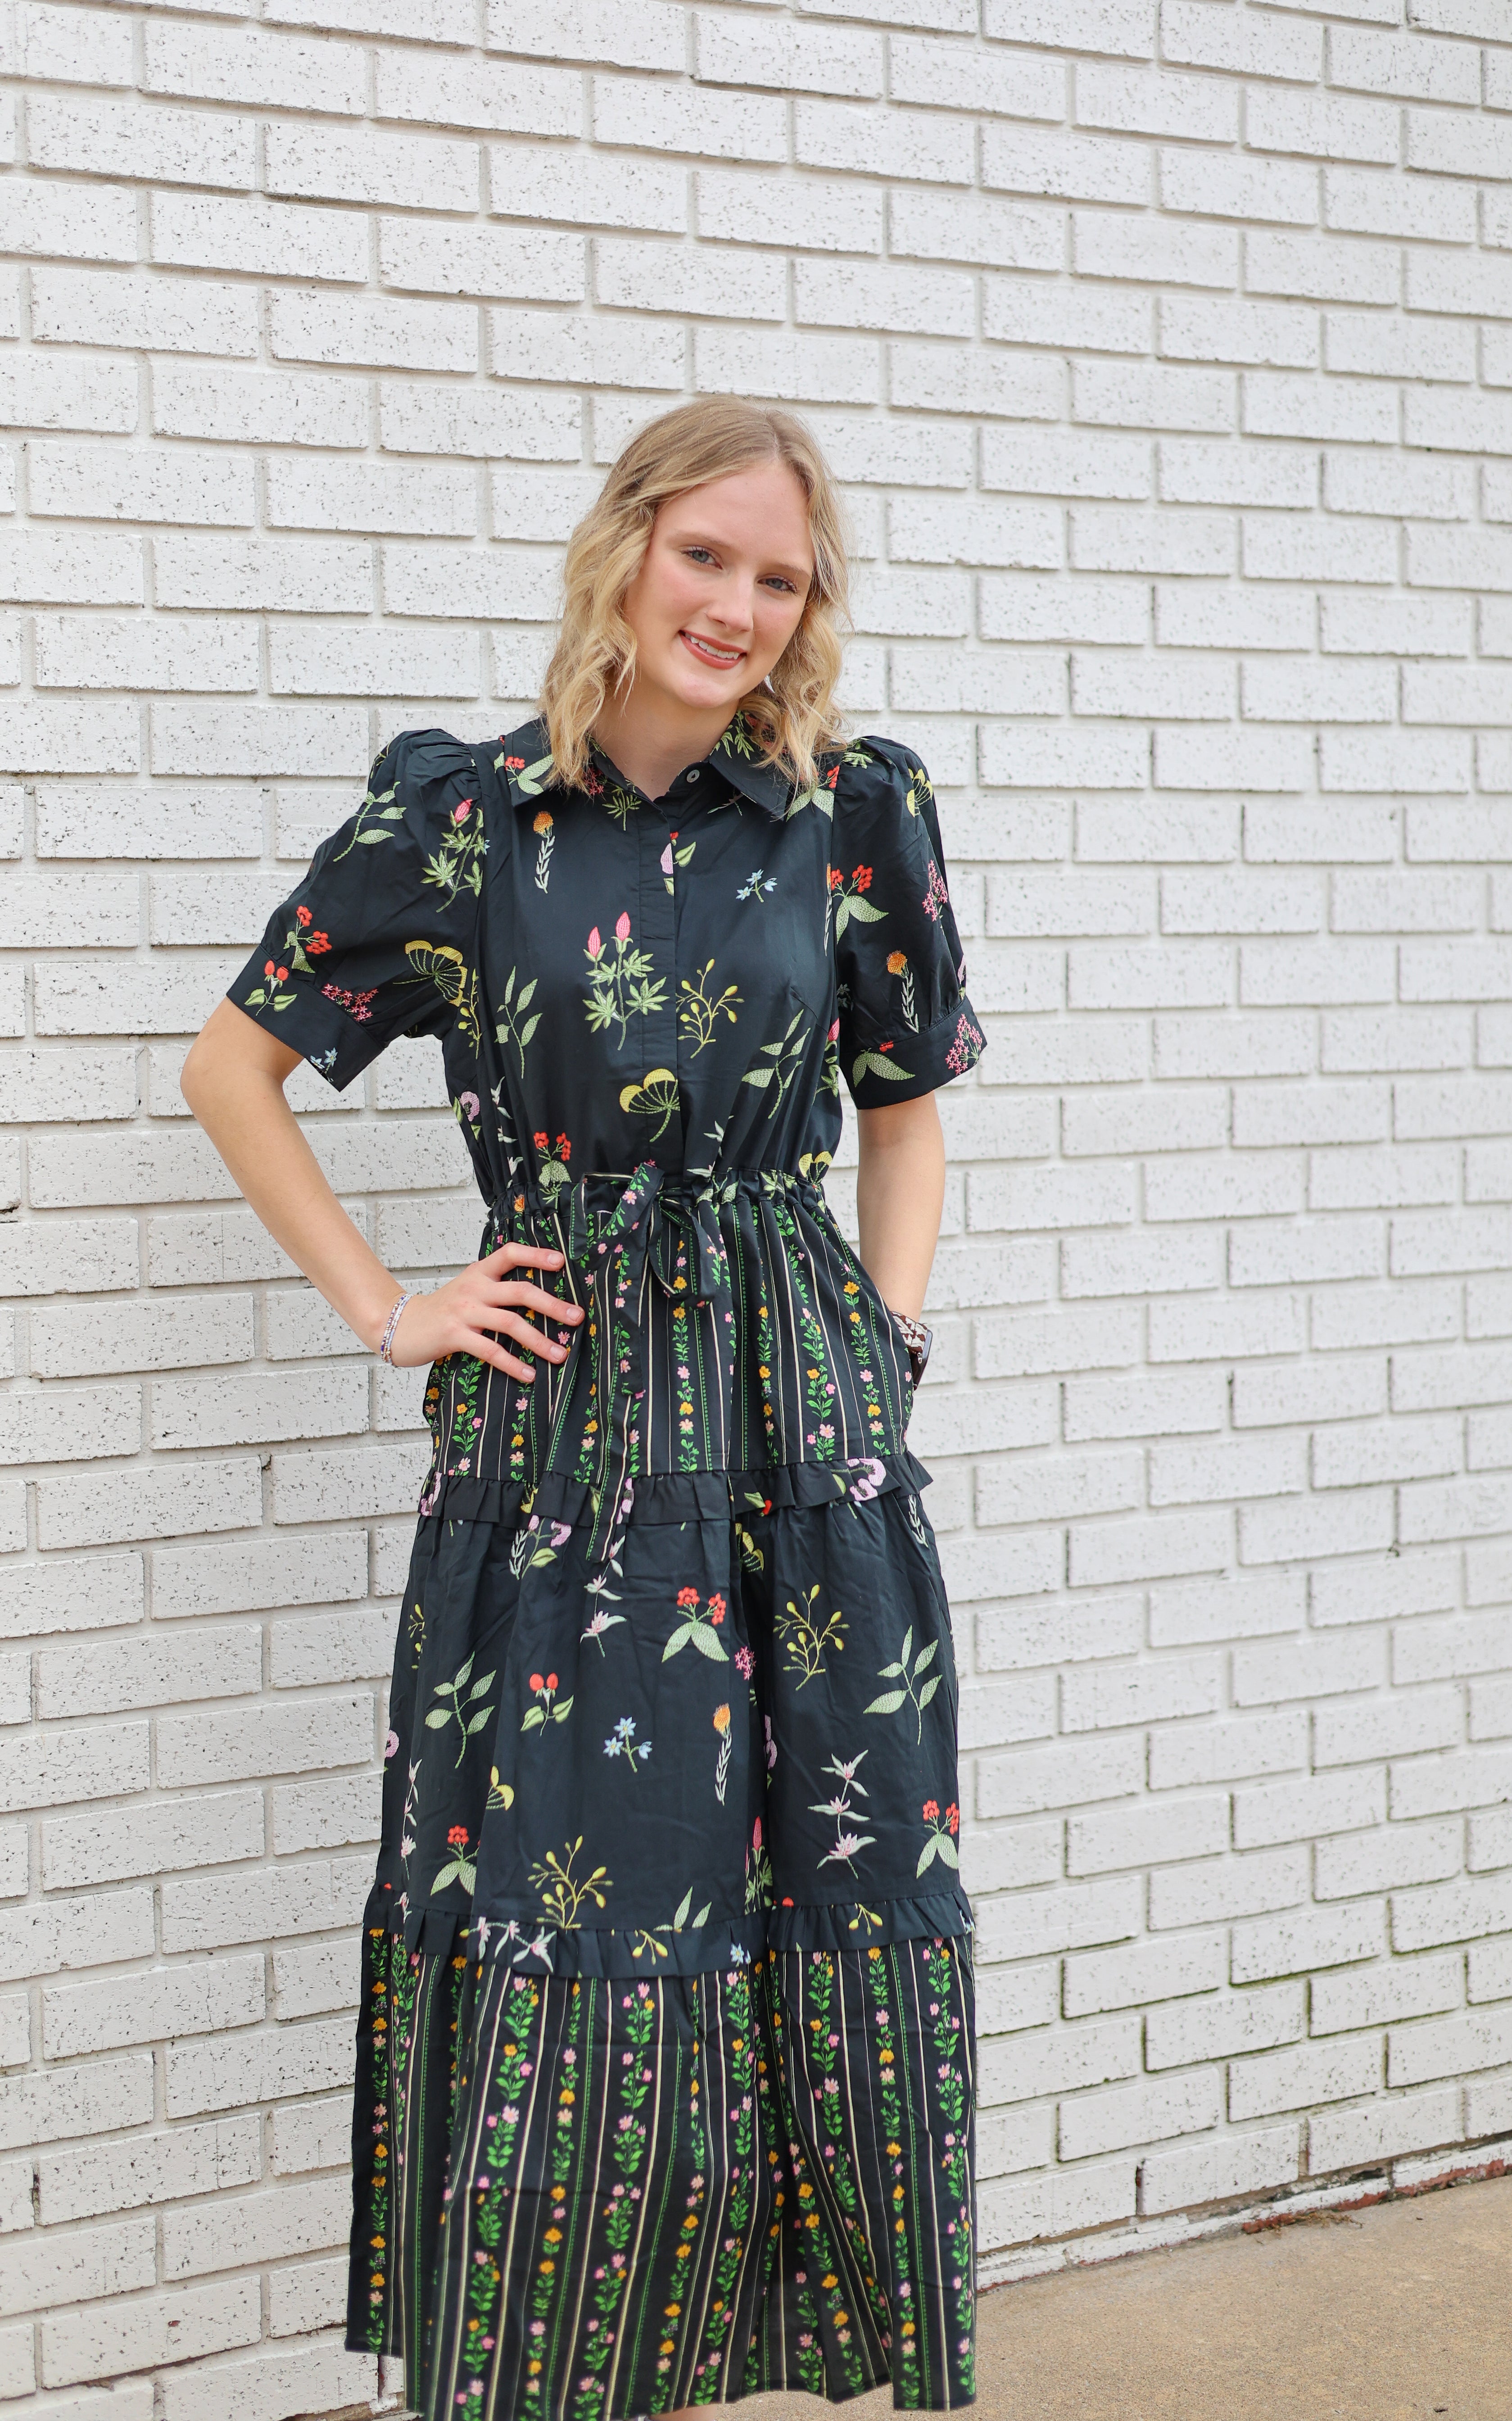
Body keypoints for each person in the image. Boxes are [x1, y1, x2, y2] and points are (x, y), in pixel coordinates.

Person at [182, 394, 987, 2420]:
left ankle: (746, 2357)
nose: (736, 606)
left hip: (805, 1439)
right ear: (625, 548)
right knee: (583, 1882)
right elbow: (231, 1068)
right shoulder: (466, 821)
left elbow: (906, 1110)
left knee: (827, 1865)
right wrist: (396, 1311)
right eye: (704, 553)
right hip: (567, 1439)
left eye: (779, 576)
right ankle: (569, 2368)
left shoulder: (852, 810)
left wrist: (882, 1349)